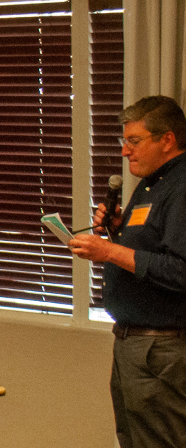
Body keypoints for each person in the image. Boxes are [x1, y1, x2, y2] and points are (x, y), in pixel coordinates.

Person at [70, 95, 186, 448]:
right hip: (133, 342)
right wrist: (120, 231)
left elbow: (181, 271)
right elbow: (150, 249)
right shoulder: (153, 183)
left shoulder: (181, 187)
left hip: (162, 348)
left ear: (166, 139)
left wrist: (109, 250)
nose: (124, 151)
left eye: (134, 141)